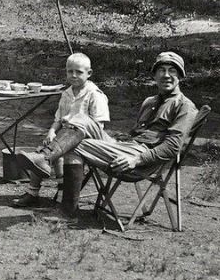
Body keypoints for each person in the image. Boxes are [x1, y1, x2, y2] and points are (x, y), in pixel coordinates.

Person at [17, 51, 197, 220]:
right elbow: (137, 133)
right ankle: (45, 159)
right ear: (155, 75)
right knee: (81, 118)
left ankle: (66, 209)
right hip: (126, 146)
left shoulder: (184, 106)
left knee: (74, 144)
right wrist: (118, 141)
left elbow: (173, 146)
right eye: (161, 71)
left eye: (172, 71)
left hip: (141, 159)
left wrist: (138, 159)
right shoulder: (150, 101)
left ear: (180, 76)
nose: (166, 75)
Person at [13, 53, 109, 212]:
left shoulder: (94, 94)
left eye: (79, 72)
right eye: (70, 71)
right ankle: (33, 192)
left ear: (89, 73)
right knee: (45, 148)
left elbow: (98, 125)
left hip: (89, 137)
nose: (74, 75)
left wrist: (75, 132)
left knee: (56, 150)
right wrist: (51, 131)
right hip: (65, 136)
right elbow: (59, 118)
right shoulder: (67, 93)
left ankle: (62, 187)